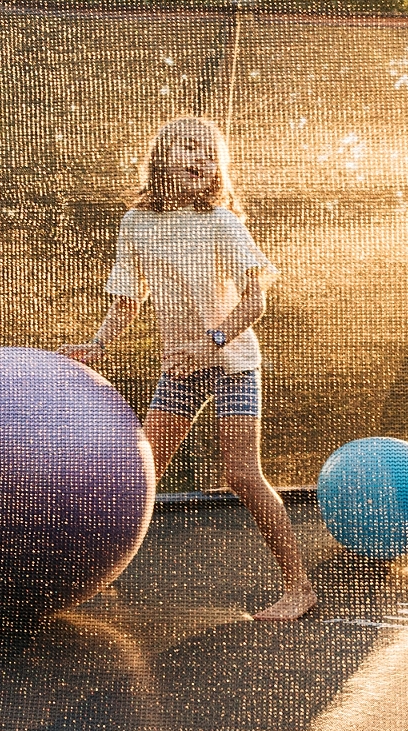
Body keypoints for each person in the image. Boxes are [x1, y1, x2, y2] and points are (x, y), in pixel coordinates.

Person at [62, 115, 316, 621]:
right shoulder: (137, 223)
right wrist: (97, 343)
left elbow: (255, 300)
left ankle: (298, 586)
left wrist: (210, 342)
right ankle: (98, 572)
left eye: (210, 153)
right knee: (139, 471)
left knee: (241, 474)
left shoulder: (222, 223)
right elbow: (128, 297)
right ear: (162, 157)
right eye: (190, 147)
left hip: (231, 364)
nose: (203, 159)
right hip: (181, 367)